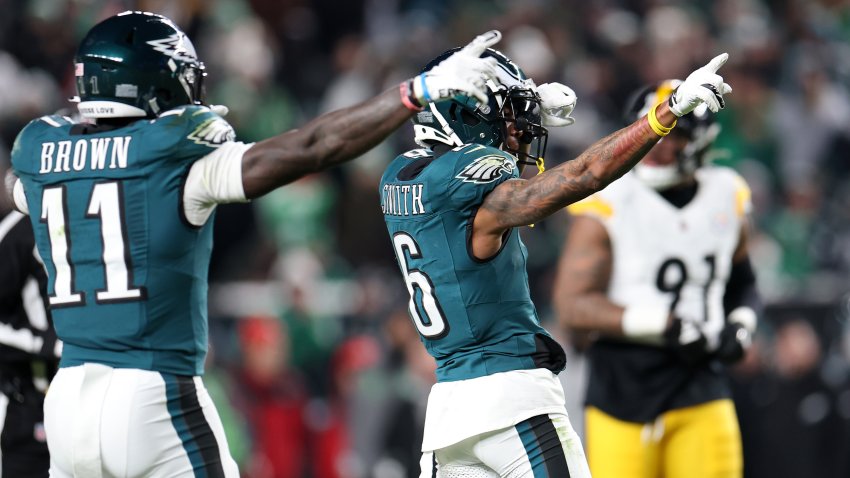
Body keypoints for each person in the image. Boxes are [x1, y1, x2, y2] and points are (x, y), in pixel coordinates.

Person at [5, 10, 505, 478]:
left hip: (67, 400)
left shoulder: (40, 155)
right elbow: (313, 147)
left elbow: (42, 188)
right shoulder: (177, 155)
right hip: (151, 390)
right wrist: (415, 92)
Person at [379, 45, 732, 477]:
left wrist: (520, 103)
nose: (516, 133)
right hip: (513, 403)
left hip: (448, 414)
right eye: (502, 118)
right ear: (466, 114)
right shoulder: (472, 190)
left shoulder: (400, 175)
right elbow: (585, 174)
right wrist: (664, 115)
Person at [552, 80, 761, 478]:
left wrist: (742, 326)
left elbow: (744, 283)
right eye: (651, 131)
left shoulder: (727, 191)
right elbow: (572, 306)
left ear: (700, 140)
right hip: (623, 387)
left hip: (701, 377)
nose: (658, 146)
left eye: (673, 133)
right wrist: (663, 326)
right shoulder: (610, 199)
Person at [0, 166, 60, 478]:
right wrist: (47, 342)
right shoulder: (19, 232)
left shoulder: (114, 212)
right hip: (33, 398)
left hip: (107, 389)